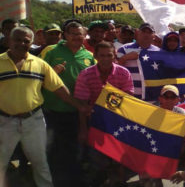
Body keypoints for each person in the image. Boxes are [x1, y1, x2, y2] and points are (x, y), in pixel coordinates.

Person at [0, 27, 89, 187]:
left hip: (33, 121)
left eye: (26, 41)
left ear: (31, 42)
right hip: (4, 121)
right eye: (17, 40)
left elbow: (60, 89)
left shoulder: (40, 64)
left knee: (40, 162)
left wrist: (80, 106)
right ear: (9, 41)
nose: (21, 43)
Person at [41, 21, 95, 187]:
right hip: (53, 109)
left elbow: (95, 81)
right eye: (72, 33)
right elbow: (36, 76)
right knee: (52, 148)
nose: (76, 37)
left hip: (77, 111)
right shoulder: (51, 51)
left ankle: (73, 179)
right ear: (64, 35)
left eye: (79, 34)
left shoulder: (89, 56)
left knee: (74, 148)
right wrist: (52, 72)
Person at [74, 41, 134, 187]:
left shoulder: (123, 73)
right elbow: (82, 105)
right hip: (94, 122)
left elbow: (128, 100)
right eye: (102, 55)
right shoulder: (86, 75)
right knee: (96, 159)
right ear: (95, 56)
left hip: (117, 122)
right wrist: (83, 129)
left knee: (119, 158)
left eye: (109, 55)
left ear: (114, 55)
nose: (106, 59)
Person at [143, 85, 185, 187]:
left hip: (174, 146)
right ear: (160, 98)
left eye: (172, 97)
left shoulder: (181, 113)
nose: (169, 100)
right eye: (166, 97)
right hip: (155, 147)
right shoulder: (153, 112)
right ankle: (151, 176)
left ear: (177, 100)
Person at [117, 23, 160, 99]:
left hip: (153, 100)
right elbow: (115, 70)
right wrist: (124, 58)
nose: (146, 35)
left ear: (154, 36)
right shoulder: (123, 49)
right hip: (130, 98)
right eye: (143, 31)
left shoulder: (158, 52)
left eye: (149, 32)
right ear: (138, 32)